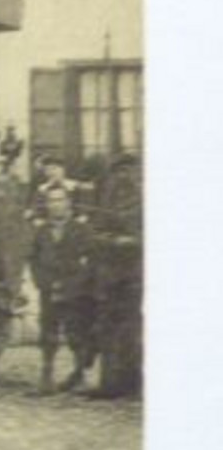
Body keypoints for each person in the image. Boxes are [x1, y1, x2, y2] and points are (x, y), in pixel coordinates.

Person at [30, 185, 99, 395]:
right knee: (48, 332)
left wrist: (74, 285)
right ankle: (46, 375)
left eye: (60, 200)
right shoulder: (41, 231)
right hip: (49, 290)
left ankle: (79, 375)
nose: (55, 205)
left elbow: (90, 262)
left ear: (68, 203)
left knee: (76, 332)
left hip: (75, 291)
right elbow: (33, 260)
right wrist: (43, 283)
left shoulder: (81, 230)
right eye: (51, 201)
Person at [88, 153, 143, 399]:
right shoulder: (106, 203)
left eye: (129, 171)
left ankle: (133, 383)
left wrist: (130, 241)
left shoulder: (146, 204)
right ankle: (109, 384)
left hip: (135, 274)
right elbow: (95, 232)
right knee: (106, 328)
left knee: (132, 329)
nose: (124, 177)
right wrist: (109, 240)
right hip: (109, 274)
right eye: (119, 172)